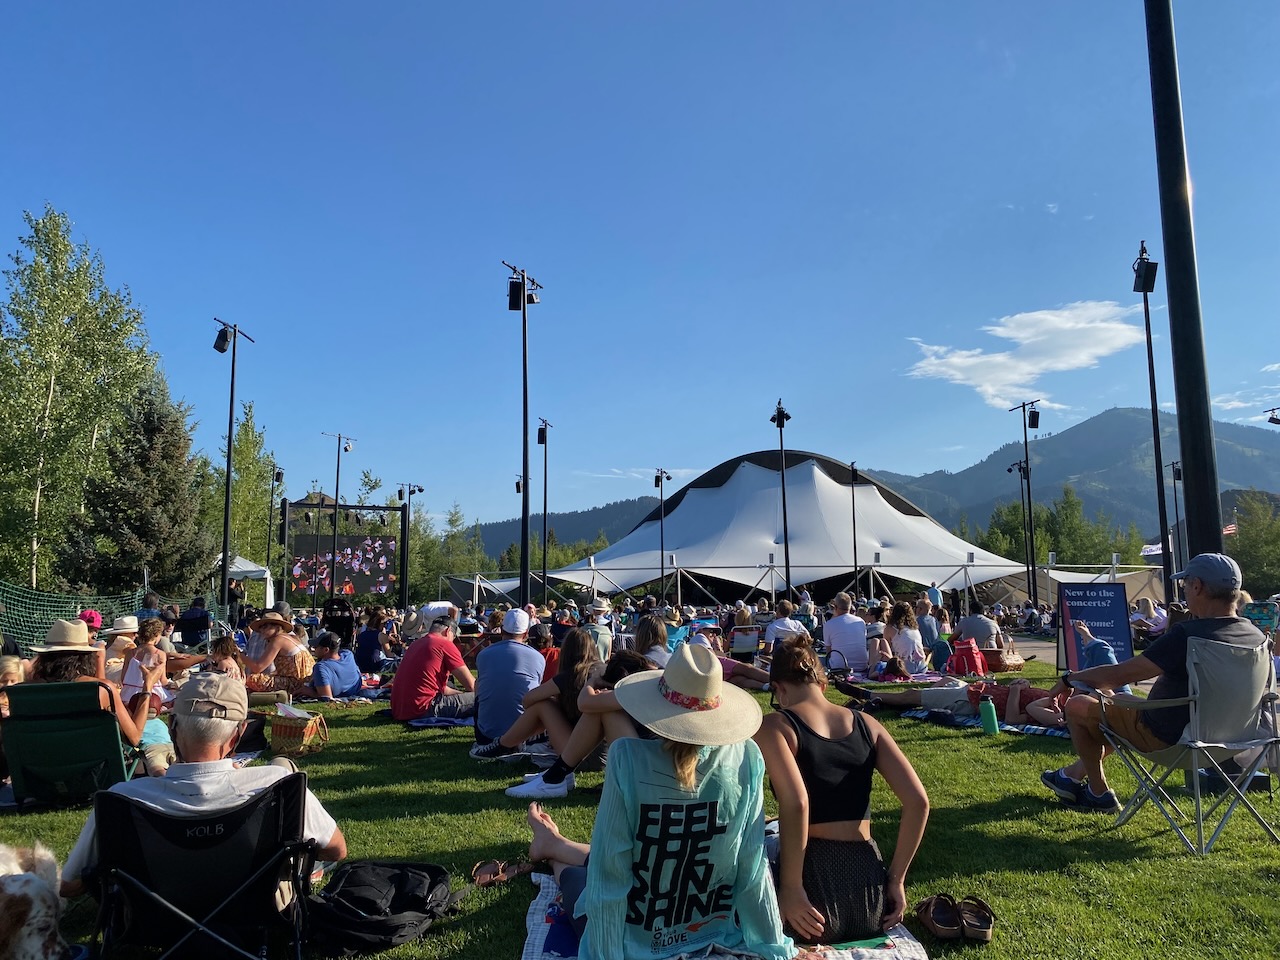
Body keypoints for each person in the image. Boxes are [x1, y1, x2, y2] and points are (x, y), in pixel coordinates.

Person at [524, 644, 797, 960]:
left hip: (636, 938)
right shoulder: (745, 757)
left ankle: (553, 852)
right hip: (709, 928)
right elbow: (752, 868)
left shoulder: (628, 759)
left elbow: (610, 873)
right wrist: (773, 947)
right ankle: (553, 846)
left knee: (576, 879)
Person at [60, 672, 346, 897]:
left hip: (152, 921)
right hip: (258, 914)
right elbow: (336, 850)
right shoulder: (278, 785)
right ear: (237, 735)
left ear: (172, 726)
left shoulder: (120, 798)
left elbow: (70, 885)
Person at [1040, 553, 1265, 812]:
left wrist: (1069, 678)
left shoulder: (1188, 636)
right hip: (1232, 742)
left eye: (1185, 585)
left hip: (1169, 738)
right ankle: (1070, 776)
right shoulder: (1255, 636)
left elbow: (1118, 675)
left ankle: (1098, 792)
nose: (1184, 592)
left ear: (1197, 586)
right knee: (1115, 699)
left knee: (1079, 705)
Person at [756, 637, 928, 943]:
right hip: (870, 893)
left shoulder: (775, 726)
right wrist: (896, 879)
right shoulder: (868, 723)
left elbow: (797, 803)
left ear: (779, 689)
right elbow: (918, 802)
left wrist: (791, 888)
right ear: (822, 685)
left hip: (811, 888)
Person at [470, 626, 601, 759]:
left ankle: (503, 745)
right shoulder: (603, 672)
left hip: (577, 755)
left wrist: (553, 702)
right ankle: (512, 742)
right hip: (605, 754)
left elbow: (528, 699)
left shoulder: (571, 676)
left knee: (543, 704)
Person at [472, 609, 544, 748]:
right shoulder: (538, 657)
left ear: (502, 630)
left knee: (478, 685)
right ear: (525, 633)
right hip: (525, 734)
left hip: (485, 734)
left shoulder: (483, 655)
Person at [390, 616, 475, 721]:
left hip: (401, 710)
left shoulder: (415, 644)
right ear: (448, 631)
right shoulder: (445, 644)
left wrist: (463, 696)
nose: (452, 641)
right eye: (453, 637)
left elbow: (441, 688)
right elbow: (471, 685)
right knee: (485, 698)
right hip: (424, 708)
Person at [243, 612, 315, 697]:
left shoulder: (278, 640)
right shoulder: (291, 638)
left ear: (277, 628)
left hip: (296, 683)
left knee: (251, 679)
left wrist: (239, 655)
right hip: (306, 682)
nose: (261, 630)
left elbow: (258, 667)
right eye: (260, 627)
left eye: (265, 626)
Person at [305, 632, 365, 699]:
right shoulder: (348, 655)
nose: (314, 649)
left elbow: (326, 697)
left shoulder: (321, 667)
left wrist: (307, 691)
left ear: (326, 650)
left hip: (341, 696)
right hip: (355, 691)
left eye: (315, 647)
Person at [823, 593, 868, 673]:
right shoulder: (861, 621)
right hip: (861, 666)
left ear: (835, 607)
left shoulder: (829, 624)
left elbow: (828, 651)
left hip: (839, 668)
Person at [883, 602, 927, 675]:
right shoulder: (914, 628)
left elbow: (887, 649)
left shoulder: (890, 628)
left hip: (904, 667)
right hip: (922, 666)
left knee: (882, 644)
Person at [354, 608, 395, 673]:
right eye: (384, 623)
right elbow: (389, 655)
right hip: (374, 666)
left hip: (360, 665)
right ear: (380, 624)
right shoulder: (381, 636)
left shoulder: (361, 633)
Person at [583, 597, 614, 661]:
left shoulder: (585, 623)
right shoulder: (609, 624)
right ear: (604, 611)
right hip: (603, 658)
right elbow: (611, 640)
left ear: (593, 610)